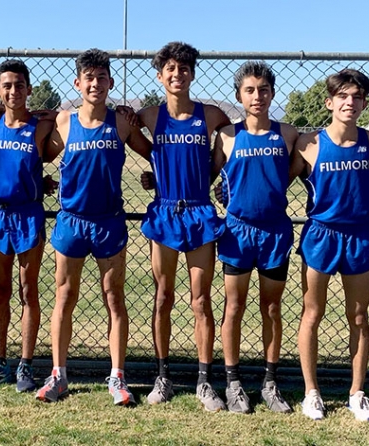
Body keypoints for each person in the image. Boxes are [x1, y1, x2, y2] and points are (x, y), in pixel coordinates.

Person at [36, 49, 151, 406]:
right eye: (89, 77)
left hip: (108, 223)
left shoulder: (121, 122)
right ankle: (59, 375)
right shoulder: (64, 122)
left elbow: (156, 152)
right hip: (72, 221)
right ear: (77, 82)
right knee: (65, 297)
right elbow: (35, 154)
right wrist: (36, 181)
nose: (95, 83)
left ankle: (117, 377)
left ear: (110, 83)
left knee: (114, 298)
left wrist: (159, 180)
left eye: (102, 77)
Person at [133, 42, 230, 411]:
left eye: (184, 69)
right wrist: (152, 172)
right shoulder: (149, 115)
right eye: (170, 69)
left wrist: (223, 178)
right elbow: (129, 130)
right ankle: (163, 376)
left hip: (201, 212)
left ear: (192, 74)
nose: (178, 75)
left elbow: (237, 140)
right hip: (165, 212)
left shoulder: (212, 115)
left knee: (201, 300)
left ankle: (205, 382)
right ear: (160, 76)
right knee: (163, 297)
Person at [293, 68, 369, 421]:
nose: (350, 102)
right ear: (329, 102)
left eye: (357, 96)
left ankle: (357, 393)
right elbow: (274, 179)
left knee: (359, 316)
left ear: (364, 102)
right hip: (321, 234)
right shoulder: (308, 143)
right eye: (343, 96)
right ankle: (311, 392)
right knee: (312, 313)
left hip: (360, 235)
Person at [214, 61, 300, 414]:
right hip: (237, 232)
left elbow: (294, 171)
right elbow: (208, 176)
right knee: (233, 307)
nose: (257, 96)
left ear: (272, 93)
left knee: (272, 308)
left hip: (274, 232)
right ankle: (233, 382)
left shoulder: (289, 134)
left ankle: (269, 381)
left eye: (263, 89)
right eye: (249, 90)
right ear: (239, 95)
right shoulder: (227, 136)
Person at [0, 60, 55, 392]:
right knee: (0, 290)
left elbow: (62, 119)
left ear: (29, 89)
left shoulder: (39, 126)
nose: (13, 91)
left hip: (27, 214)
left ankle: (25, 364)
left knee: (27, 290)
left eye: (19, 85)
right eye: (6, 86)